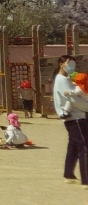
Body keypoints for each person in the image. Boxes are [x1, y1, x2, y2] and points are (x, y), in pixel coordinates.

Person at [53, 55, 88, 186]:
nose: (71, 66)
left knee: (73, 145)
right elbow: (73, 100)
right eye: (69, 63)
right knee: (84, 146)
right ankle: (86, 180)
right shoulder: (62, 80)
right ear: (61, 64)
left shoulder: (65, 79)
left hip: (76, 116)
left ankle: (69, 174)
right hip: (75, 117)